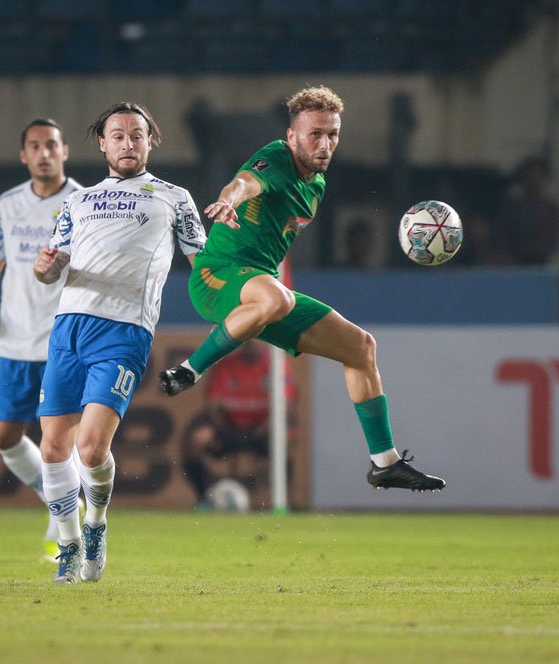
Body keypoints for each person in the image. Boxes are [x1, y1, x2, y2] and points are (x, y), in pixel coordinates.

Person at [159, 86, 446, 493]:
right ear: (292, 136)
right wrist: (228, 199)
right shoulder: (275, 158)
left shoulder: (317, 185)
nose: (325, 144)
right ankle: (190, 370)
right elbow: (244, 182)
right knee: (277, 296)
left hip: (261, 291)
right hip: (216, 277)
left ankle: (385, 463)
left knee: (360, 347)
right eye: (315, 134)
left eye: (332, 134)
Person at [33, 101, 206, 584]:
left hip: (124, 331)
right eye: (118, 135)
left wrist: (237, 289)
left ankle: (95, 526)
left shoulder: (173, 197)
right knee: (52, 448)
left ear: (150, 141)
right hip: (69, 327)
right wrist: (45, 268)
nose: (128, 143)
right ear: (102, 143)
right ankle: (67, 543)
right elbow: (50, 269)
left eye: (137, 135)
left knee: (89, 449)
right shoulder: (78, 201)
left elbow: (203, 261)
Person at [0, 118, 82, 562]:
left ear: (65, 151)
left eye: (52, 144)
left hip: (63, 338)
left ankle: (65, 527)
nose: (44, 152)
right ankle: (59, 500)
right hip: (14, 339)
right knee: (5, 436)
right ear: (23, 155)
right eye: (35, 146)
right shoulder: (8, 204)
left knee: (57, 439)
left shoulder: (85, 203)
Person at [180, 340, 294, 507]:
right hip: (229, 428)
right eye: (247, 339)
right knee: (198, 440)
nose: (251, 343)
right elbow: (213, 405)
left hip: (261, 431)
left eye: (256, 338)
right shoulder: (226, 365)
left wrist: (261, 431)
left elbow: (286, 405)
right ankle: (204, 497)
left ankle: (280, 500)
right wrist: (224, 430)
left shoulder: (277, 366)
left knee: (284, 441)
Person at [495, 155, 559, 265]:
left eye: (538, 174)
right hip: (512, 267)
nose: (533, 179)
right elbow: (502, 237)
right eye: (530, 174)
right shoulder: (511, 208)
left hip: (540, 267)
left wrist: (536, 253)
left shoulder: (552, 211)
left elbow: (551, 242)